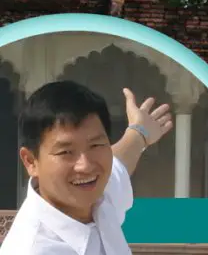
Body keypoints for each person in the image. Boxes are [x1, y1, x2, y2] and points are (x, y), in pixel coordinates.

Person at [0, 80, 174, 254]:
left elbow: (120, 162)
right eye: (66, 152)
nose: (86, 166)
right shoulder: (32, 249)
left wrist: (139, 132)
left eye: (96, 145)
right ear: (31, 161)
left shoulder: (99, 197)